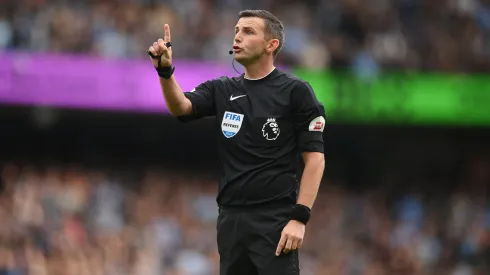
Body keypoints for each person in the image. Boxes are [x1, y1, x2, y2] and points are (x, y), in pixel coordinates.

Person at [147, 9, 326, 275]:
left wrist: (299, 218)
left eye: (248, 31)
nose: (238, 37)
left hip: (274, 220)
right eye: (236, 31)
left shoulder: (296, 92)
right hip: (230, 219)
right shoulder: (222, 89)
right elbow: (181, 106)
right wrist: (165, 71)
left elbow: (315, 159)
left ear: (271, 45)